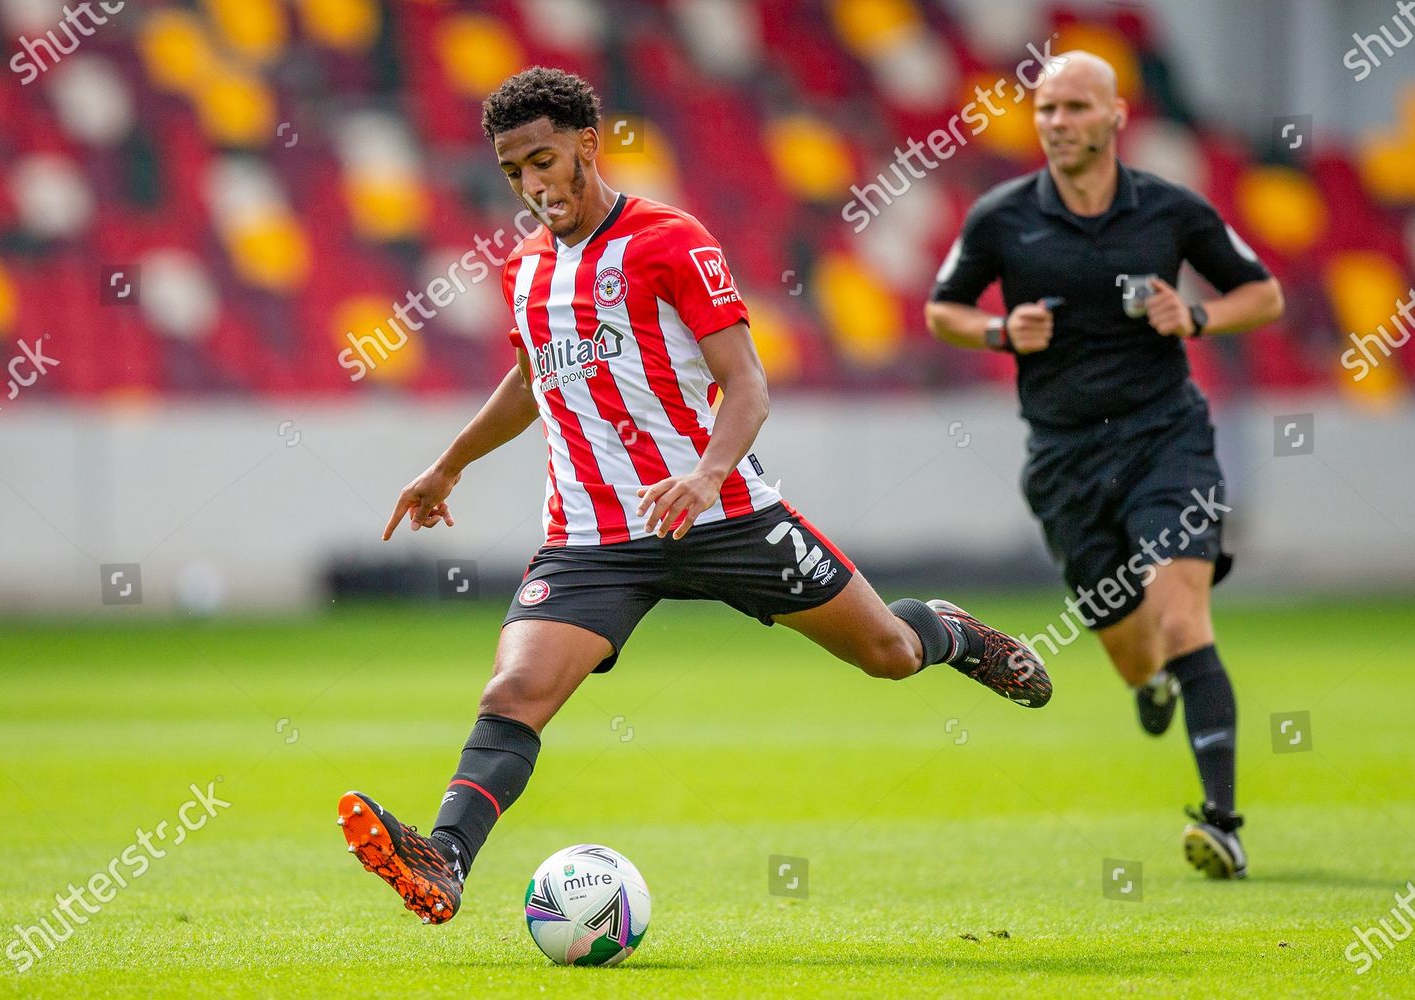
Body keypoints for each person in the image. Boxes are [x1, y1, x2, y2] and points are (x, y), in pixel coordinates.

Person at [337, 67, 1052, 924]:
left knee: (888, 656)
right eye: (513, 170)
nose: (531, 186)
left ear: (586, 147)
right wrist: (449, 463)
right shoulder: (524, 271)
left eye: (544, 160)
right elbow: (531, 384)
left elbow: (746, 383)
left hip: (723, 516)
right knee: (512, 694)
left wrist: (708, 473)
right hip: (593, 536)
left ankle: (947, 630)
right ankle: (445, 860)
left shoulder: (671, 240)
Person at [925, 51, 1284, 879]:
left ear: (1117, 116)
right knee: (1132, 654)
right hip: (1065, 460)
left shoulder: (1171, 210)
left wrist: (1194, 313)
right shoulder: (1001, 218)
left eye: (1076, 108)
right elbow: (942, 308)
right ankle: (1151, 686)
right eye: (1047, 109)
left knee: (1183, 618)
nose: (1058, 123)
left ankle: (1223, 822)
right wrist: (998, 332)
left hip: (1166, 440)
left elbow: (1261, 294)